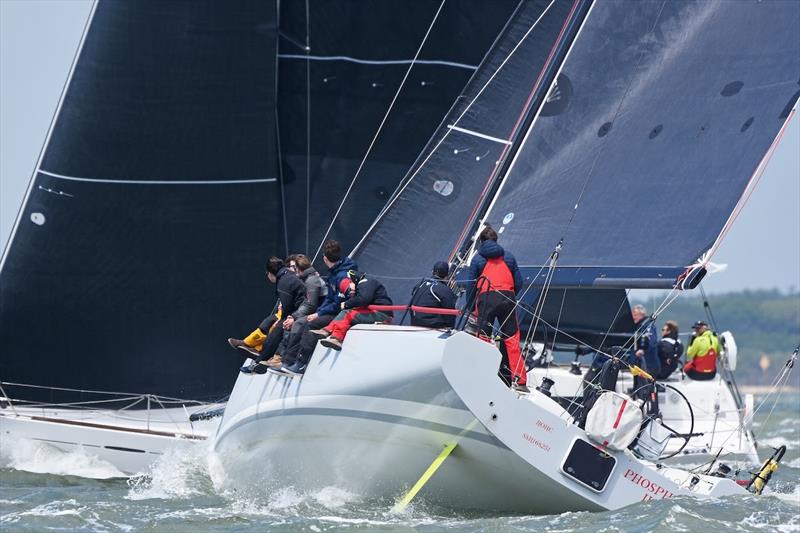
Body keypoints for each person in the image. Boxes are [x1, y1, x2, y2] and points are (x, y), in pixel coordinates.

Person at [279, 239, 357, 374]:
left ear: (325, 258)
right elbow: (330, 298)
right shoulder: (335, 273)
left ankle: (300, 363)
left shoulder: (342, 275)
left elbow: (339, 303)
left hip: (340, 312)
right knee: (303, 321)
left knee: (308, 324)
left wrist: (318, 314)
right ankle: (286, 361)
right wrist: (319, 312)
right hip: (331, 309)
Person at [467, 225, 527, 392]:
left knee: (483, 339)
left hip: (486, 299)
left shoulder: (478, 259)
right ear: (496, 240)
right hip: (508, 298)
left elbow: (471, 287)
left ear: (481, 241)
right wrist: (510, 295)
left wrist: (471, 306)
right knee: (512, 339)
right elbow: (519, 282)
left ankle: (482, 375)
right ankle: (520, 381)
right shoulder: (509, 257)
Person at [239, 256, 306, 374]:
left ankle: (260, 361)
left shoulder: (283, 283)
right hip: (299, 310)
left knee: (278, 329)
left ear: (270, 273)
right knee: (272, 322)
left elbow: (288, 307)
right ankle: (256, 350)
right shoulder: (287, 275)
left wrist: (285, 319)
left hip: (301, 311)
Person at [268, 254, 327, 368]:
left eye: (294, 268)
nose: (292, 270)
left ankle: (286, 360)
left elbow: (311, 304)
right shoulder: (306, 279)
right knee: (281, 322)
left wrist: (294, 317)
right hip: (314, 310)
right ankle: (276, 355)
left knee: (296, 324)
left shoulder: (312, 280)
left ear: (298, 268)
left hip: (319, 312)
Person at [315, 270, 394, 350]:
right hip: (378, 313)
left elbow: (363, 299)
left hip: (382, 314)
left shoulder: (365, 282)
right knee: (345, 313)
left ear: (354, 280)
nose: (350, 292)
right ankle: (327, 330)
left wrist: (346, 304)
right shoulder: (365, 285)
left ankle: (336, 338)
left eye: (349, 287)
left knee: (347, 314)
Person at [409, 261, 457, 328]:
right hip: (432, 326)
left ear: (432, 272)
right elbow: (450, 314)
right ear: (447, 276)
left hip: (414, 323)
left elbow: (412, 301)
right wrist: (450, 328)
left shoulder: (419, 284)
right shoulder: (445, 290)